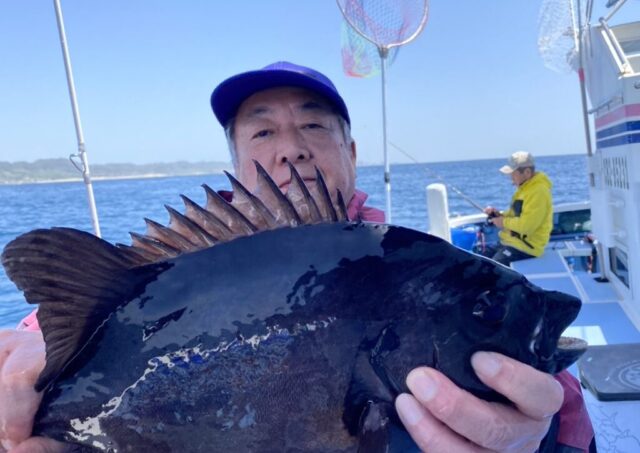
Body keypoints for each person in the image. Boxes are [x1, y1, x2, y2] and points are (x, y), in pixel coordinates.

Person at [0, 62, 594, 453]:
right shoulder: (151, 278)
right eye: (262, 133)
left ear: (351, 152)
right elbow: (41, 334)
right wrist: (25, 373)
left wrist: (535, 441)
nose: (291, 149)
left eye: (313, 125)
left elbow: (571, 427)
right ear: (236, 163)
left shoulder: (418, 265)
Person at [483, 151, 553, 266]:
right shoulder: (524, 189)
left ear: (527, 172)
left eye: (513, 174)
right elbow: (515, 215)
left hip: (527, 247)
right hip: (511, 242)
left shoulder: (539, 192)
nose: (511, 178)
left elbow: (527, 226)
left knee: (492, 268)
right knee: (479, 260)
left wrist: (503, 222)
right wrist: (498, 215)